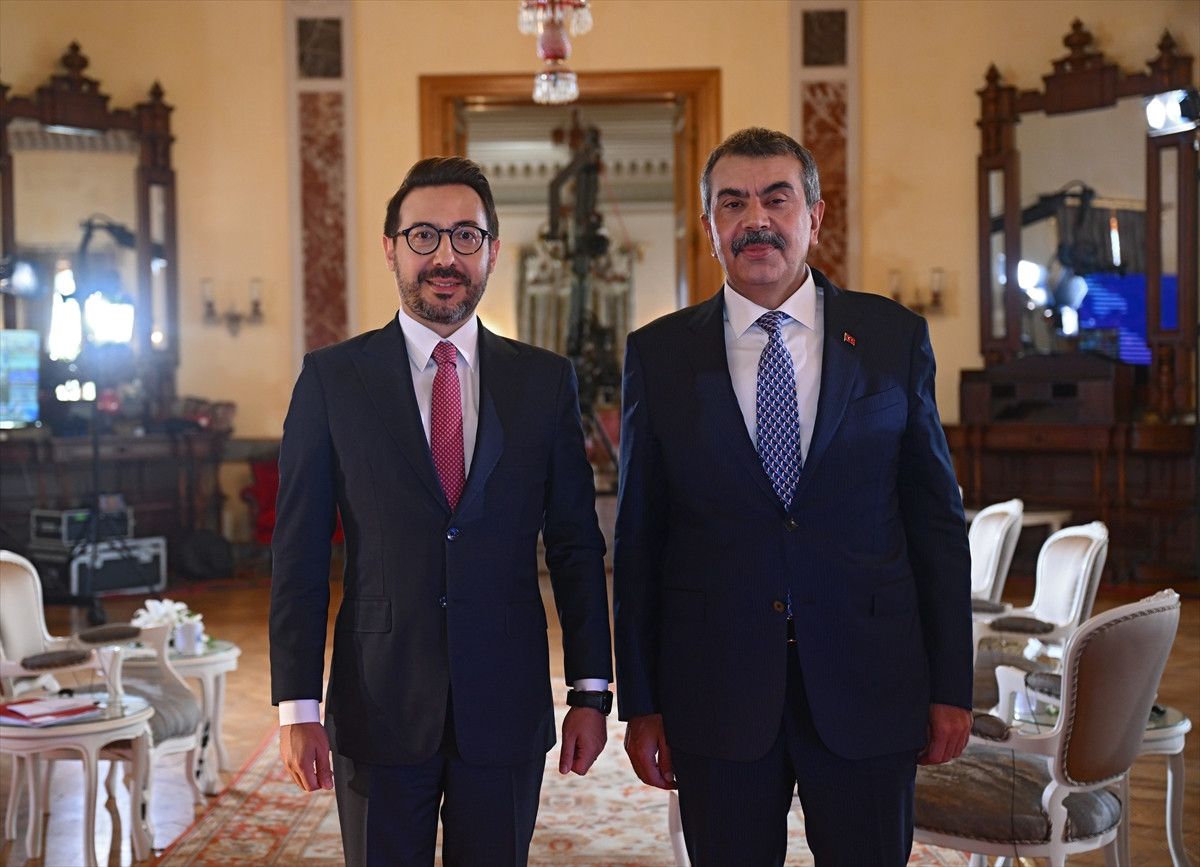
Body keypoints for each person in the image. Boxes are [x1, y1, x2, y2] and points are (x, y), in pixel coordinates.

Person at [613, 128, 973, 866]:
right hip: (716, 691)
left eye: (777, 199)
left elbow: (935, 523)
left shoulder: (891, 338)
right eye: (733, 203)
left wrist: (951, 685)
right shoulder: (659, 354)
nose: (757, 219)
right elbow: (640, 540)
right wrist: (641, 702)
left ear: (814, 216)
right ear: (709, 225)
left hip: (870, 680)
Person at [269, 156, 614, 867]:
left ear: (493, 250)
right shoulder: (333, 379)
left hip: (507, 700)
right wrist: (298, 707)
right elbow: (298, 552)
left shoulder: (544, 382)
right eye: (423, 235)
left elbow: (576, 544)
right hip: (378, 698)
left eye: (465, 236)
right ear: (391, 248)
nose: (445, 256)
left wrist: (590, 689)